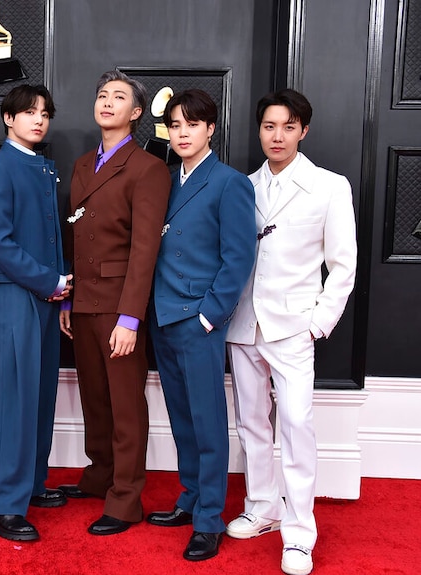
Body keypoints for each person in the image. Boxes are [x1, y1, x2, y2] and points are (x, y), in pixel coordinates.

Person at [225, 89, 357, 575]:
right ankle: (262, 507)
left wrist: (317, 324)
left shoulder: (329, 186)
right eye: (268, 126)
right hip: (243, 324)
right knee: (251, 424)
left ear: (303, 130)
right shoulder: (242, 185)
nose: (276, 136)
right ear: (258, 130)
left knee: (297, 425)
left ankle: (300, 534)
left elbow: (343, 266)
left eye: (287, 126)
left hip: (294, 326)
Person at [57, 71, 170, 535]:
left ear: (136, 113)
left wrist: (130, 317)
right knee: (95, 399)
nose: (107, 102)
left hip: (121, 305)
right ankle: (99, 474)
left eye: (119, 97)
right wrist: (68, 300)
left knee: (125, 403)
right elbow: (73, 233)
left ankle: (125, 499)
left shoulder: (148, 169)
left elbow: (146, 250)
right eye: (102, 95)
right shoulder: (83, 164)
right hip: (83, 302)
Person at [146, 89, 256, 561]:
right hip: (162, 316)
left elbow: (239, 258)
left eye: (192, 124)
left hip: (198, 319)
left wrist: (212, 314)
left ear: (211, 129)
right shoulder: (164, 179)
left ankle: (210, 518)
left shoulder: (229, 182)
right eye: (175, 125)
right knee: (181, 418)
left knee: (208, 421)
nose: (183, 133)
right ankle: (190, 499)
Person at [0, 84, 71, 541]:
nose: (39, 119)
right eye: (29, 112)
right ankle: (1, 505)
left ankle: (29, 483)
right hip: (15, 294)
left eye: (45, 113)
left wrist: (62, 289)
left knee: (40, 393)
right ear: (8, 118)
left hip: (47, 297)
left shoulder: (44, 167)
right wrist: (50, 282)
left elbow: (53, 238)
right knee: (13, 398)